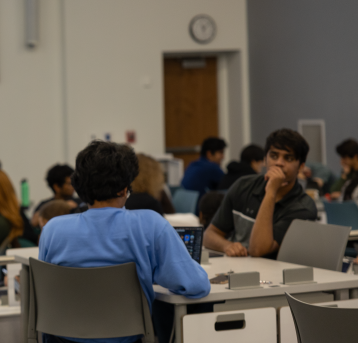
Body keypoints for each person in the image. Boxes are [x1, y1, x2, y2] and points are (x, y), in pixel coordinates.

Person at [39, 141, 210, 343]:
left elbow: (47, 293)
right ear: (124, 189)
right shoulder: (150, 224)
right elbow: (195, 284)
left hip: (65, 339)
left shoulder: (53, 229)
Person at [204, 129, 318, 258]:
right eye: (274, 156)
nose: (279, 163)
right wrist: (227, 246)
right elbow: (209, 235)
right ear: (265, 159)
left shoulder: (303, 208)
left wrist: (271, 191)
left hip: (273, 275)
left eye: (288, 158)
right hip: (236, 269)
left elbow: (258, 250)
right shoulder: (243, 185)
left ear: (301, 167)